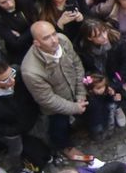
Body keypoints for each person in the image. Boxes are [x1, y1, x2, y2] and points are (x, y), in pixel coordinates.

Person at [20, 21, 93, 164]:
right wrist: (74, 108)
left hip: (74, 90)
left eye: (54, 34)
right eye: (47, 38)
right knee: (59, 125)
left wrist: (80, 94)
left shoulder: (63, 40)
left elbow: (77, 65)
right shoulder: (31, 71)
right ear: (37, 43)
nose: (54, 40)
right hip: (55, 105)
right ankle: (64, 146)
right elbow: (47, 99)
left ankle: (76, 127)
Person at [0, 61, 47, 173]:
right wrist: (15, 130)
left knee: (38, 137)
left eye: (12, 75)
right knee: (17, 150)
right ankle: (19, 167)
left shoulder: (17, 74)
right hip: (13, 131)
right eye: (5, 80)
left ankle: (42, 154)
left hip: (28, 117)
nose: (12, 81)